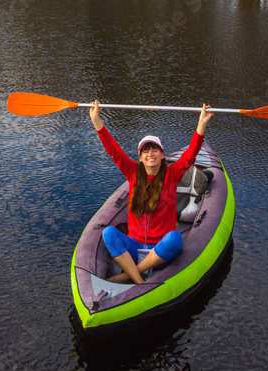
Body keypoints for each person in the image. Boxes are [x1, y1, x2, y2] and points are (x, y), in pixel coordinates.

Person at [89, 100, 213, 284]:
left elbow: (190, 155)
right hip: (134, 247)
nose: (150, 154)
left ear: (162, 155)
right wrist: (97, 121)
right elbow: (114, 151)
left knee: (175, 238)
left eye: (155, 150)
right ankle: (139, 281)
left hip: (161, 251)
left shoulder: (171, 174)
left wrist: (201, 124)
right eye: (145, 151)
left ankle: (127, 275)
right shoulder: (132, 172)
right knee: (108, 233)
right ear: (140, 158)